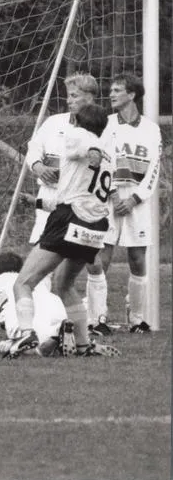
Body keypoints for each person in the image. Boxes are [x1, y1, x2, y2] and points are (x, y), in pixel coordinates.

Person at [9, 103, 117, 358]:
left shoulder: (78, 136)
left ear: (77, 122)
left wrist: (91, 149)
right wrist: (36, 202)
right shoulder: (108, 157)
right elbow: (76, 190)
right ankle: (83, 345)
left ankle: (26, 333)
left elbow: (84, 142)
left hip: (70, 220)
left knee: (23, 283)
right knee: (64, 284)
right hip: (95, 227)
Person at [85, 75, 162, 334]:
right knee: (101, 256)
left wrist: (134, 199)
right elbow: (101, 162)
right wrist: (115, 195)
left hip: (137, 201)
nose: (111, 94)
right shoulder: (106, 124)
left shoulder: (151, 129)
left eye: (117, 90)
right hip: (109, 197)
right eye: (111, 90)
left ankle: (137, 318)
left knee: (138, 259)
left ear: (132, 94)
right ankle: (97, 318)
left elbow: (154, 168)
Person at [23, 72, 99, 305]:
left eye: (74, 95)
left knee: (83, 266)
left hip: (79, 202)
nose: (69, 100)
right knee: (42, 257)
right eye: (68, 95)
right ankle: (45, 312)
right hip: (49, 196)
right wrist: (38, 166)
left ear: (90, 97)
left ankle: (96, 316)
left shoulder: (100, 128)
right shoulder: (54, 122)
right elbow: (33, 148)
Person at [0, 252, 71, 357]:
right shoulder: (32, 280)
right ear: (21, 269)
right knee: (40, 331)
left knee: (23, 340)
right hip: (56, 309)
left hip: (23, 321)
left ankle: (41, 347)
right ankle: (57, 334)